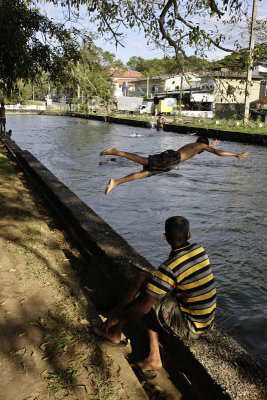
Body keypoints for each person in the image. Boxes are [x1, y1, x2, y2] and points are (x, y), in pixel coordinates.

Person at [94, 216, 216, 378]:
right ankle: (118, 334)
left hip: (191, 325)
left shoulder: (169, 268)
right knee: (142, 278)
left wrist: (117, 317)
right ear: (189, 235)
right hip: (206, 319)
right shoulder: (199, 250)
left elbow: (144, 306)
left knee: (146, 301)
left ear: (165, 237)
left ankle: (146, 352)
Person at [100, 137, 248, 195]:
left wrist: (210, 145)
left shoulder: (196, 145)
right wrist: (235, 154)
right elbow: (218, 153)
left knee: (146, 173)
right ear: (203, 145)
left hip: (172, 160)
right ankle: (114, 151)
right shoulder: (201, 145)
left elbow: (205, 148)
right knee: (145, 162)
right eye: (206, 147)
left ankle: (116, 182)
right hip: (172, 159)